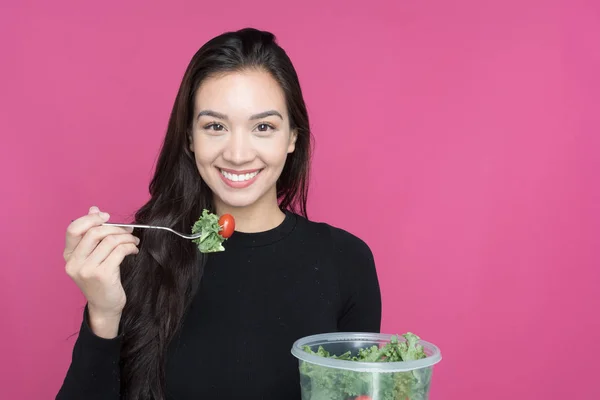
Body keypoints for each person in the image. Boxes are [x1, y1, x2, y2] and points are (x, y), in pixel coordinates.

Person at [56, 27, 381, 400]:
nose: (238, 154)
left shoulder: (347, 260)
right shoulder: (140, 255)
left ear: (293, 136)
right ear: (190, 139)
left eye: (263, 127)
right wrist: (102, 313)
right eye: (215, 126)